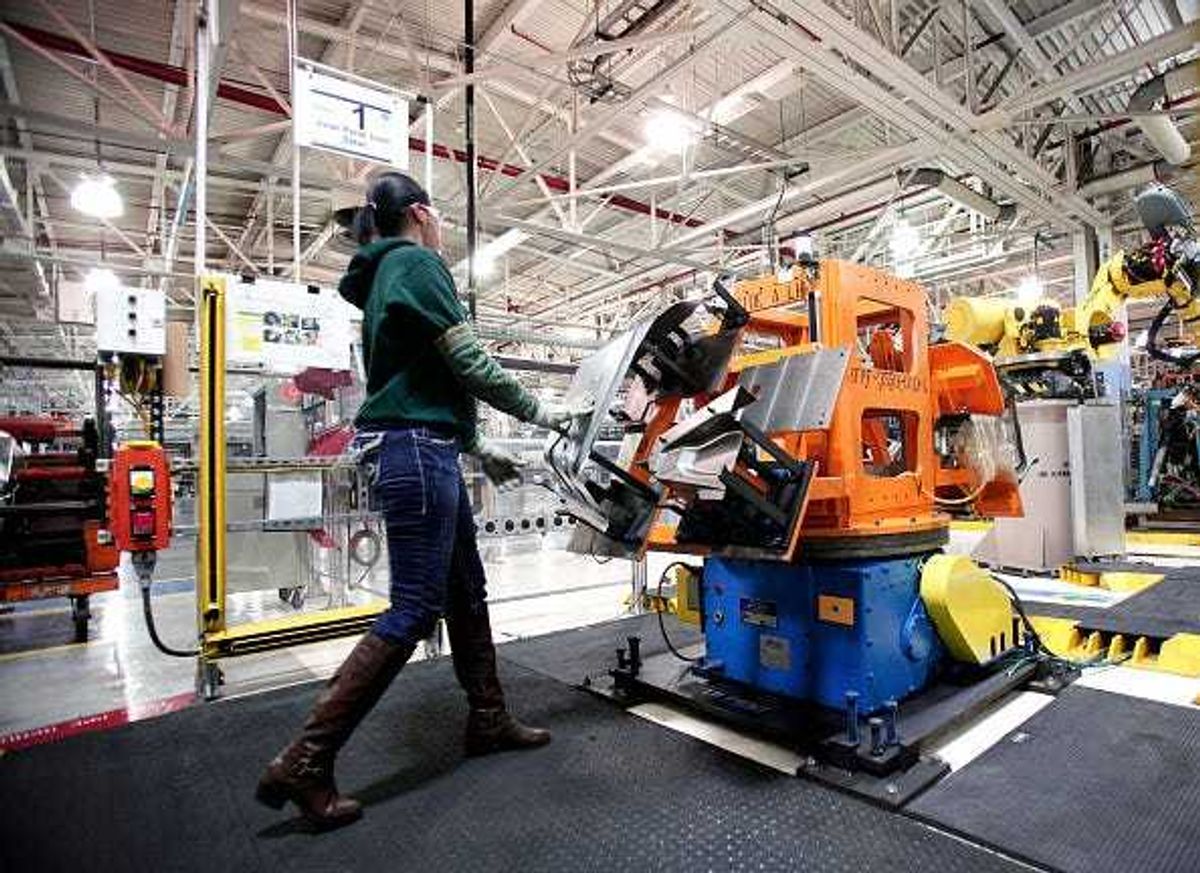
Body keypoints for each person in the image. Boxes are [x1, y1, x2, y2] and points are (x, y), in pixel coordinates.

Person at [256, 171, 585, 829]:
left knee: (465, 588)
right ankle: (305, 759)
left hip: (422, 447)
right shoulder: (417, 264)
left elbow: (423, 380)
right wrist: (542, 412)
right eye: (439, 218)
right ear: (421, 213)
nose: (443, 229)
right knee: (413, 608)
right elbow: (470, 365)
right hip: (416, 451)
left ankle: (487, 717)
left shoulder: (383, 275)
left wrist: (474, 446)